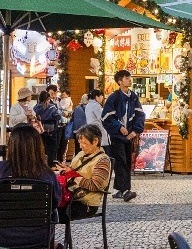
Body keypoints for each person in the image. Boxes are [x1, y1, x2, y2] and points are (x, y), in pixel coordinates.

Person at [0, 124, 62, 249]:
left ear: (11, 146)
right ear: (38, 146)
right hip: (37, 237)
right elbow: (55, 202)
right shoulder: (47, 174)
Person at [55, 125, 112, 222]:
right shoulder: (81, 154)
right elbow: (72, 171)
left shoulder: (102, 160)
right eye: (80, 143)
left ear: (95, 141)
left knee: (49, 212)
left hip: (85, 203)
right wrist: (63, 171)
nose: (81, 146)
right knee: (45, 205)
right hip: (70, 196)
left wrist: (72, 175)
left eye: (84, 143)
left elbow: (95, 185)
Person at [103, 70, 144, 201]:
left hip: (130, 136)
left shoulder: (133, 97)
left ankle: (117, 190)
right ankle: (126, 190)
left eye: (129, 77)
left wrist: (135, 131)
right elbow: (106, 117)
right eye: (126, 78)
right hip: (116, 136)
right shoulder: (113, 97)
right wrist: (119, 127)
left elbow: (140, 115)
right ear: (120, 81)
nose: (129, 80)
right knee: (121, 162)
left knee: (126, 162)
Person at [34, 90, 63, 166]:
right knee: (51, 147)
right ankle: (50, 164)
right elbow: (58, 116)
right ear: (48, 99)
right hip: (51, 128)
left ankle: (41, 163)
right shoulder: (52, 107)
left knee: (41, 147)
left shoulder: (36, 107)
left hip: (40, 128)